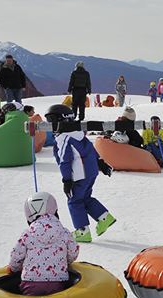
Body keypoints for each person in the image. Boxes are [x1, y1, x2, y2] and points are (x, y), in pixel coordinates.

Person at [46, 104, 116, 243]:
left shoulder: (63, 138)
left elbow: (65, 161)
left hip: (77, 176)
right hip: (90, 172)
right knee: (85, 197)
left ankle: (82, 231)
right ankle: (104, 217)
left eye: (51, 121)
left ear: (61, 120)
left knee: (74, 201)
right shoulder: (78, 134)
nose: (50, 125)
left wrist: (67, 180)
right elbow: (90, 149)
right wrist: (100, 163)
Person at [7, 192, 79, 296]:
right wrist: (65, 261)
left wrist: (13, 268)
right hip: (58, 281)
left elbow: (17, 255)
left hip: (30, 282)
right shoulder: (64, 232)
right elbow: (73, 252)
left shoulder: (28, 234)